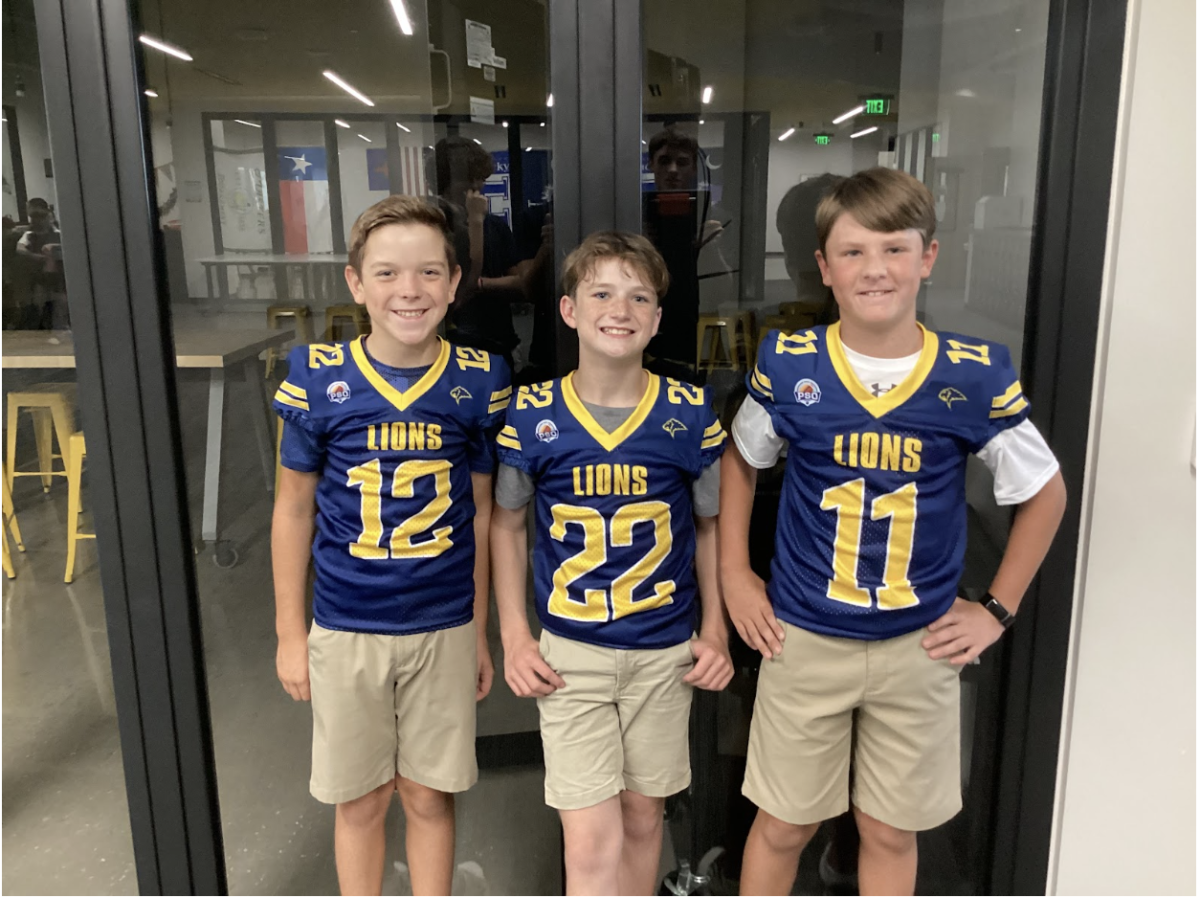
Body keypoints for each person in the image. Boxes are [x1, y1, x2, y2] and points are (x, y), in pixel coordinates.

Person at [720, 168, 1067, 896]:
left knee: (889, 830)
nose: (875, 269)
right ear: (823, 266)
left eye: (894, 249)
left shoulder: (971, 376)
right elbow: (741, 461)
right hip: (806, 633)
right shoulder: (791, 364)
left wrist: (997, 607)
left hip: (918, 641)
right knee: (782, 823)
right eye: (852, 252)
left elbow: (1044, 492)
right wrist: (734, 575)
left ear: (929, 257)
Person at [271, 195, 511, 896]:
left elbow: (481, 512)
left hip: (441, 623)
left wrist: (479, 629)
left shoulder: (478, 378)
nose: (409, 290)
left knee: (430, 795)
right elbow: (292, 510)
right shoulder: (319, 377)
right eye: (387, 274)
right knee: (362, 799)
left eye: (429, 273)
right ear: (355, 284)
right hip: (348, 625)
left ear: (455, 282)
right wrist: (292, 632)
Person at [490, 231, 734, 895]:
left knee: (642, 815)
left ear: (657, 318)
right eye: (600, 292)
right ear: (568, 309)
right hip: (572, 653)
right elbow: (507, 525)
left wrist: (715, 628)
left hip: (663, 651)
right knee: (590, 836)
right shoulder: (534, 413)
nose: (618, 307)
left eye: (638, 296)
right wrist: (514, 634)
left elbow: (709, 529)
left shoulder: (686, 414)